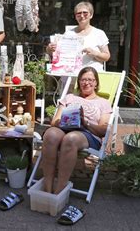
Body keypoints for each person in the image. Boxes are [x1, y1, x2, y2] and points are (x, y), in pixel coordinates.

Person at [41, 66, 112, 194]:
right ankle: (47, 187)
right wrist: (67, 121)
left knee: (71, 138)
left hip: (88, 134)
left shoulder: (103, 103)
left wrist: (86, 123)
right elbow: (54, 122)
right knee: (50, 134)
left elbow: (103, 130)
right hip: (65, 128)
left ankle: (59, 191)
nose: (86, 83)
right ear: (79, 82)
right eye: (83, 79)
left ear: (96, 83)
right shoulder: (69, 98)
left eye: (90, 79)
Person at [46, 1, 110, 72]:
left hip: (91, 77)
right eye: (79, 14)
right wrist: (50, 48)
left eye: (85, 13)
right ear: (75, 17)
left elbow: (107, 56)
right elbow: (54, 52)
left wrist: (94, 53)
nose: (82, 16)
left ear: (91, 15)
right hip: (71, 75)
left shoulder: (99, 33)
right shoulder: (68, 34)